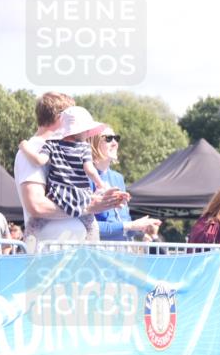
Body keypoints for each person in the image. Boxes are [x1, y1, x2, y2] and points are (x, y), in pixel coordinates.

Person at [14, 92, 126, 245]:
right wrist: (89, 206)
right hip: (51, 253)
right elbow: (36, 206)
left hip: (69, 251)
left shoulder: (63, 147)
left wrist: (105, 199)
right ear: (61, 118)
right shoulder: (36, 147)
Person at [90, 125, 161, 241]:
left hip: (122, 248)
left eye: (116, 138)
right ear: (94, 143)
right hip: (97, 249)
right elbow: (88, 227)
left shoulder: (118, 178)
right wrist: (130, 226)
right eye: (108, 138)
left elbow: (125, 224)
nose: (115, 143)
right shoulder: (85, 177)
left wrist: (140, 227)